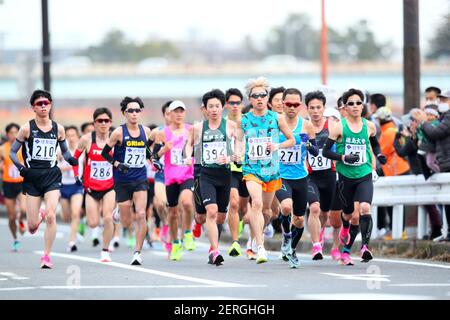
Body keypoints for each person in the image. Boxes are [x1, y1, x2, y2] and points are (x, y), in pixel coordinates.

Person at [9, 89, 79, 268]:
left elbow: (64, 151)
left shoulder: (58, 128)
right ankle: (36, 217)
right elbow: (12, 152)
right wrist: (21, 167)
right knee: (32, 226)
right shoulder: (27, 128)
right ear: (33, 107)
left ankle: (46, 255)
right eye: (39, 104)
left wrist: (71, 158)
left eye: (46, 103)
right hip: (32, 177)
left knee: (51, 216)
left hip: (51, 175)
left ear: (50, 105)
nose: (43, 107)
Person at [323, 88, 387, 265]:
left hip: (364, 174)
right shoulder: (338, 127)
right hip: (345, 177)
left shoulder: (370, 126)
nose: (355, 106)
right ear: (345, 107)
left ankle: (364, 247)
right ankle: (345, 227)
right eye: (351, 103)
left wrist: (379, 155)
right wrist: (343, 157)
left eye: (358, 102)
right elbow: (325, 151)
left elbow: (375, 145)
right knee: (349, 215)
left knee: (365, 209)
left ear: (363, 105)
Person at [241, 77, 295, 264]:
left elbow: (291, 140)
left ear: (267, 97)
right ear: (250, 99)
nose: (259, 98)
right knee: (255, 204)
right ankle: (260, 247)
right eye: (255, 96)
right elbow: (238, 141)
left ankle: (259, 232)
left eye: (262, 95)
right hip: (251, 169)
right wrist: (236, 153)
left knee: (267, 211)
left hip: (271, 170)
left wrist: (277, 145)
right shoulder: (245, 120)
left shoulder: (276, 118)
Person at [185, 89, 240, 265]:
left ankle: (209, 236)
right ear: (206, 109)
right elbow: (189, 144)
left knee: (221, 217)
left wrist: (232, 157)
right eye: (211, 106)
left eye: (217, 106)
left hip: (225, 175)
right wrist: (188, 156)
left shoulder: (231, 126)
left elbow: (240, 148)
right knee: (211, 211)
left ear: (223, 107)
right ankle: (215, 250)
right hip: (206, 175)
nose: (214, 109)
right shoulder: (198, 127)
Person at [101, 97, 155, 265]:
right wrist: (117, 164)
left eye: (137, 110)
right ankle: (118, 213)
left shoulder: (146, 131)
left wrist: (154, 161)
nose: (134, 113)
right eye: (130, 110)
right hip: (122, 179)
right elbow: (104, 153)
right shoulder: (118, 132)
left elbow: (146, 153)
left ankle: (137, 253)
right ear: (124, 113)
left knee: (141, 214)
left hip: (139, 177)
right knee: (126, 222)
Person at [275, 88, 318, 268]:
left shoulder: (306, 125)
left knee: (299, 219)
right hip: (280, 175)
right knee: (286, 207)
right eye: (288, 104)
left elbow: (315, 151)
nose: (292, 108)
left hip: (300, 176)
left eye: (296, 105)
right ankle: (286, 235)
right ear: (282, 105)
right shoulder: (275, 123)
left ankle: (292, 249)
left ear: (300, 106)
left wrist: (307, 143)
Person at [74, 108, 116, 262]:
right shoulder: (86, 139)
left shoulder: (115, 139)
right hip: (91, 187)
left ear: (110, 123)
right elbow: (74, 158)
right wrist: (76, 174)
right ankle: (111, 217)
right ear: (94, 123)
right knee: (93, 223)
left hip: (110, 186)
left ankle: (105, 251)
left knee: (107, 218)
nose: (103, 124)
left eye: (106, 121)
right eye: (100, 121)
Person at [157, 100, 195, 261]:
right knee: (172, 213)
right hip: (170, 178)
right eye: (176, 111)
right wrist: (164, 149)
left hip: (187, 175)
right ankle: (175, 242)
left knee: (186, 202)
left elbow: (198, 148)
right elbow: (153, 155)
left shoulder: (191, 130)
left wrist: (192, 157)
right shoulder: (163, 133)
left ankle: (187, 233)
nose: (179, 114)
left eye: (182, 111)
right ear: (169, 114)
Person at [305, 91, 339, 260]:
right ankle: (316, 245)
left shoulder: (332, 125)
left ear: (324, 108)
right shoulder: (304, 126)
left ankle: (321, 232)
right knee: (315, 208)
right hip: (311, 176)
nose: (316, 111)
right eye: (312, 108)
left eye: (318, 107)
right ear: (307, 109)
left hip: (330, 174)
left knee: (325, 213)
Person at [415, 89, 450, 241]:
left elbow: (436, 133)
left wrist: (424, 122)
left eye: (445, 100)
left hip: (447, 160)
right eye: (440, 100)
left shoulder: (447, 117)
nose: (441, 103)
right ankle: (448, 233)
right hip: (445, 161)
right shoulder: (443, 116)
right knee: (447, 201)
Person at [225, 88, 250, 258]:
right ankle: (235, 242)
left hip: (248, 169)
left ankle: (239, 221)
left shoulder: (249, 121)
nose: (235, 106)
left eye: (238, 103)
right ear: (226, 105)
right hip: (230, 170)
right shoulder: (223, 123)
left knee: (242, 207)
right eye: (231, 103)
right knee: (233, 204)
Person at [0, 123, 26, 251]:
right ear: (7, 134)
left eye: (16, 132)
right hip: (8, 183)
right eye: (11, 133)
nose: (14, 135)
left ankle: (21, 219)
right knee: (11, 217)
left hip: (21, 183)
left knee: (23, 209)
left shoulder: (23, 147)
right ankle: (15, 238)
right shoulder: (3, 149)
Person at [58, 125, 84, 253]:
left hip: (77, 185)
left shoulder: (82, 151)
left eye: (73, 135)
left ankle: (72, 241)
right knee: (66, 217)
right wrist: (62, 167)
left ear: (77, 136)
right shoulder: (60, 152)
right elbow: (55, 167)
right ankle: (76, 230)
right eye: (68, 136)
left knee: (75, 213)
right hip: (63, 186)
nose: (71, 138)